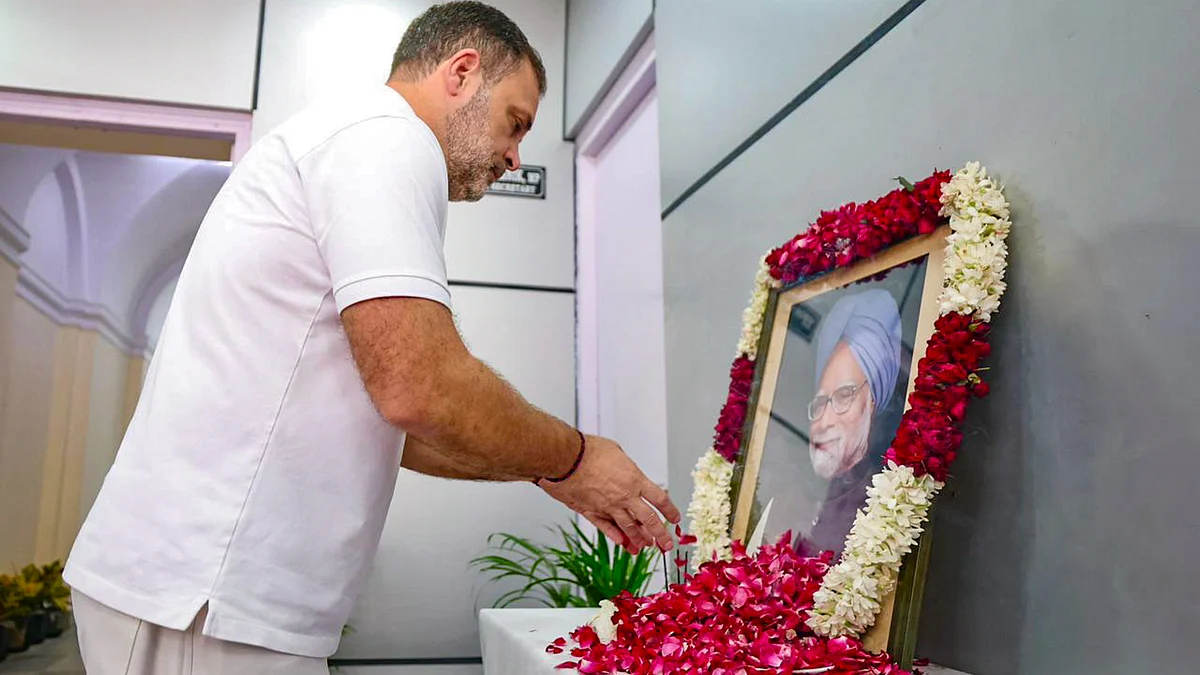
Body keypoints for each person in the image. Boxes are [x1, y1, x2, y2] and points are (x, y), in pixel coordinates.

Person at [62, 3, 679, 673]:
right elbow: (420, 387)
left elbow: (399, 425)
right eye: (516, 122)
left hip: (214, 598)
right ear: (463, 71)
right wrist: (574, 457)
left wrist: (544, 465)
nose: (514, 154)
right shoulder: (385, 136)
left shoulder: (362, 140)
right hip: (201, 597)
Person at [794, 289, 902, 558]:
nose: (824, 421)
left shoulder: (889, 500)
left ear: (873, 404)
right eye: (820, 403)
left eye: (844, 396)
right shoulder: (799, 497)